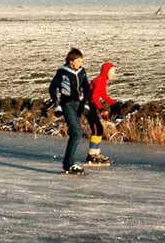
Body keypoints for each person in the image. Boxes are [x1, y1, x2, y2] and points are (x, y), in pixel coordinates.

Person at [49, 47, 91, 175]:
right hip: (67, 104)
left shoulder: (82, 71)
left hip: (78, 105)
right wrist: (56, 104)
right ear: (71, 61)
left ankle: (68, 163)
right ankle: (69, 164)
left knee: (75, 133)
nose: (80, 63)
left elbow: (86, 87)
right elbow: (52, 88)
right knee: (77, 133)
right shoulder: (62, 72)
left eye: (81, 61)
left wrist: (86, 103)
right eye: (78, 61)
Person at [86, 62, 117, 166]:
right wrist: (102, 110)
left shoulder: (102, 80)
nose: (113, 73)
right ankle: (91, 156)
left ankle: (95, 154)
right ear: (106, 71)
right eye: (112, 71)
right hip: (87, 106)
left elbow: (102, 94)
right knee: (96, 129)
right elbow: (95, 97)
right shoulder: (100, 80)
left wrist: (113, 102)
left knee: (98, 129)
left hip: (90, 105)